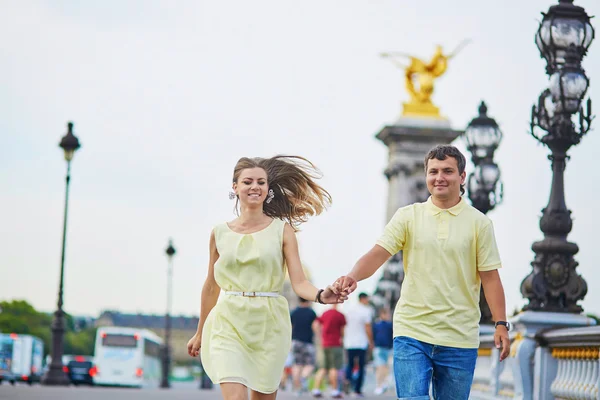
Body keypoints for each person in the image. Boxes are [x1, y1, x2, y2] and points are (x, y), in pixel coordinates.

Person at [334, 145, 510, 400]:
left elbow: (490, 278)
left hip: (459, 336)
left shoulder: (479, 223)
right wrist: (352, 276)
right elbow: (378, 253)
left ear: (462, 177)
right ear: (426, 175)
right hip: (412, 330)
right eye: (433, 171)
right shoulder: (408, 216)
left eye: (448, 171)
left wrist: (501, 324)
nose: (439, 177)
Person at [187, 155, 347, 400]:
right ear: (235, 187)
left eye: (261, 182)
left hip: (269, 324)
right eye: (248, 181)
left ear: (268, 188)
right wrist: (200, 332)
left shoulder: (282, 231)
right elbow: (211, 286)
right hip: (228, 320)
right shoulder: (219, 233)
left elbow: (299, 282)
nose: (255, 187)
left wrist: (321, 295)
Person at [312, 304, 346, 399]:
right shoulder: (340, 315)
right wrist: (342, 338)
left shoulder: (325, 313)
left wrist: (319, 336)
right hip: (335, 343)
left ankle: (316, 389)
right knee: (333, 368)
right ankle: (335, 391)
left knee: (322, 368)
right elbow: (342, 330)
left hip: (324, 344)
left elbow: (315, 324)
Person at [342, 292, 373, 397]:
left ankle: (347, 382)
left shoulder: (349, 310)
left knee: (349, 365)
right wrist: (371, 341)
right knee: (361, 366)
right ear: (363, 299)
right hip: (361, 342)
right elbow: (367, 327)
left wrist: (343, 338)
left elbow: (343, 326)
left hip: (349, 342)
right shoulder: (366, 311)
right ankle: (357, 390)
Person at [290, 297, 318, 395]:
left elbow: (290, 327)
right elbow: (315, 327)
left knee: (297, 365)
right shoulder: (311, 312)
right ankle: (304, 377)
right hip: (307, 342)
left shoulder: (294, 312)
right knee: (310, 364)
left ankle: (297, 389)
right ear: (308, 300)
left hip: (295, 342)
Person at [372, 308, 393, 395]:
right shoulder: (389, 325)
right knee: (383, 367)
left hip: (381, 348)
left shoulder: (377, 325)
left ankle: (381, 385)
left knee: (382, 367)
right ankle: (381, 385)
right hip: (385, 348)